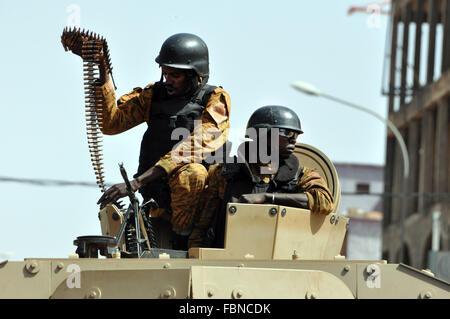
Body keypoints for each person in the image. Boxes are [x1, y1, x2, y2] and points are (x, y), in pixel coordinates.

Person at [95, 33, 231, 250]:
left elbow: (195, 146)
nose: (167, 80)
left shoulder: (215, 100)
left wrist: (138, 182)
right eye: (165, 73)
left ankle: (181, 244)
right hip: (156, 194)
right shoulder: (153, 96)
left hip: (198, 203)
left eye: (175, 75)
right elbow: (112, 123)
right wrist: (101, 69)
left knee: (193, 172)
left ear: (196, 76)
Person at [188, 105, 334, 248]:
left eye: (295, 135)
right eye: (286, 132)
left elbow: (325, 201)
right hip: (227, 259)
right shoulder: (225, 173)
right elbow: (203, 226)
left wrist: (267, 198)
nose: (293, 140)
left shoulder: (300, 176)